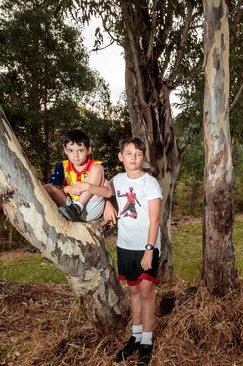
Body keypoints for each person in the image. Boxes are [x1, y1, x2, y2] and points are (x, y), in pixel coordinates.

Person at [77, 137, 162, 365]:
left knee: (146, 293)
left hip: (146, 247)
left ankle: (147, 341)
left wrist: (148, 250)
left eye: (137, 154)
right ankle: (134, 337)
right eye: (128, 153)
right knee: (133, 293)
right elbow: (104, 191)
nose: (133, 158)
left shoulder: (150, 183)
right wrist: (105, 202)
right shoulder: (117, 180)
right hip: (125, 246)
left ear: (143, 158)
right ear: (120, 157)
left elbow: (154, 221)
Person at [44, 129, 106, 222]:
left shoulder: (96, 165)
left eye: (80, 150)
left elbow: (107, 190)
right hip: (69, 207)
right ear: (65, 150)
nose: (75, 155)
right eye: (71, 150)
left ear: (88, 150)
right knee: (48, 188)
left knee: (98, 168)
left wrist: (109, 205)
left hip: (90, 206)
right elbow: (55, 192)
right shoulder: (62, 166)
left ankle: (78, 206)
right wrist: (69, 189)